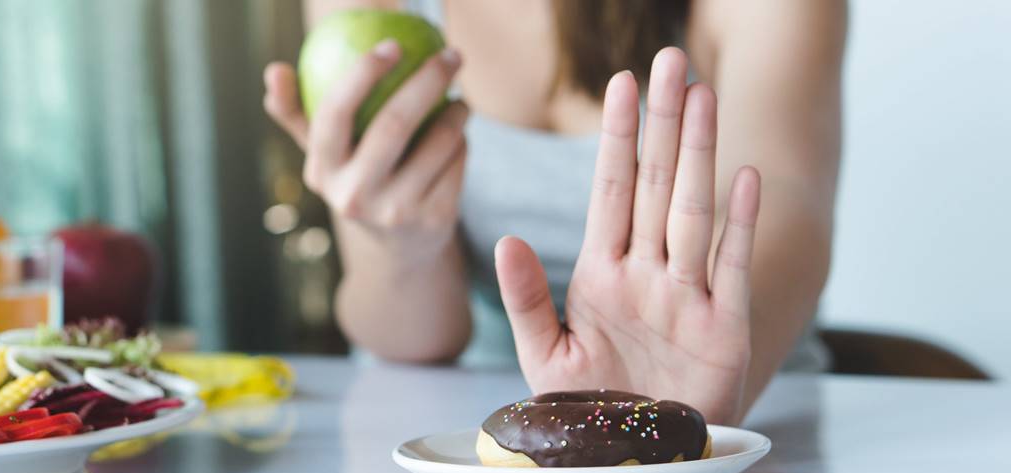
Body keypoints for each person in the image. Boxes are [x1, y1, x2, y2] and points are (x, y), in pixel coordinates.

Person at [264, 0, 846, 425]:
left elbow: (789, 199)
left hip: (746, 415)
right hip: (474, 435)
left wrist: (686, 395)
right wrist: (398, 247)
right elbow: (421, 344)